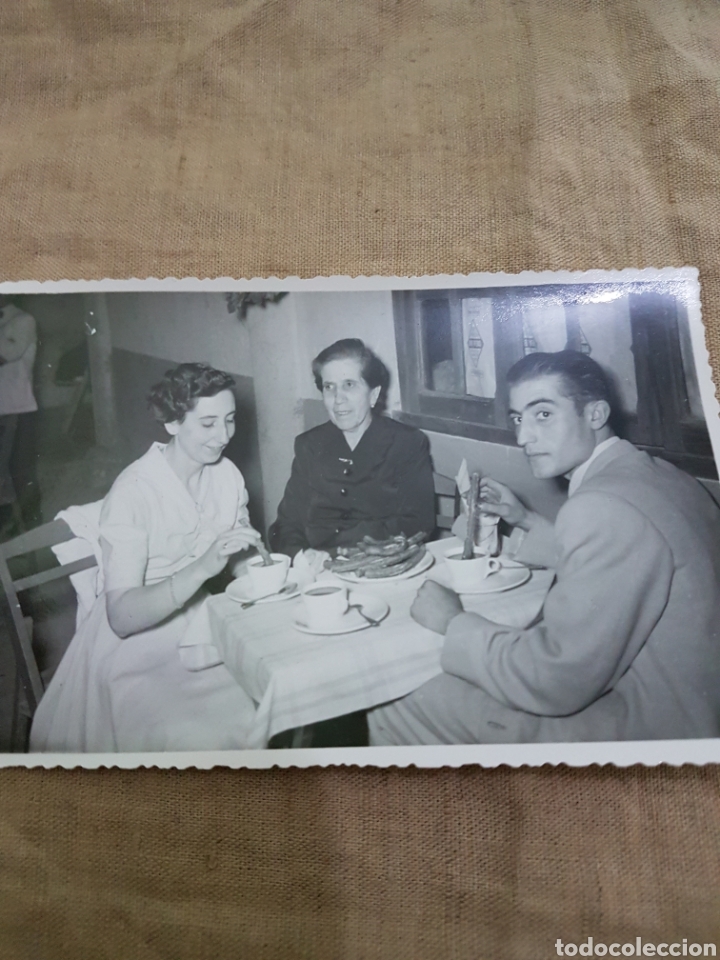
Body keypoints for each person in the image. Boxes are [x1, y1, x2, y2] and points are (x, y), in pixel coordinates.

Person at [369, 350, 720, 745]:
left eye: (543, 414)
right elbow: (625, 559)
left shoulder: (601, 506)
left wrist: (452, 621)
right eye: (519, 418)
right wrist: (525, 520)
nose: (523, 437)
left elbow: (555, 680)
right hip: (696, 710)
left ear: (595, 414)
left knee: (396, 698)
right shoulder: (666, 476)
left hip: (649, 730)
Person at [30, 363, 262, 752]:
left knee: (260, 705)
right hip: (133, 644)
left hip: (201, 625)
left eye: (230, 419)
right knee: (191, 736)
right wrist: (202, 569)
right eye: (208, 423)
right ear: (172, 423)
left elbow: (238, 556)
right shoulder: (134, 492)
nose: (223, 435)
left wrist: (262, 569)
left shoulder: (226, 475)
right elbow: (121, 618)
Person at [269, 338, 436, 557]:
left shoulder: (406, 443)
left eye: (349, 385)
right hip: (319, 566)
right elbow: (286, 524)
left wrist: (346, 549)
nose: (338, 399)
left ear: (373, 395)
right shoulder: (309, 445)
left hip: (381, 562)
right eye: (329, 387)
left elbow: (419, 522)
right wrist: (303, 555)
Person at [0, 295, 40, 531]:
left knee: (20, 472)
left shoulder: (24, 320)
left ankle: (32, 528)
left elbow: (5, 355)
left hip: (16, 408)